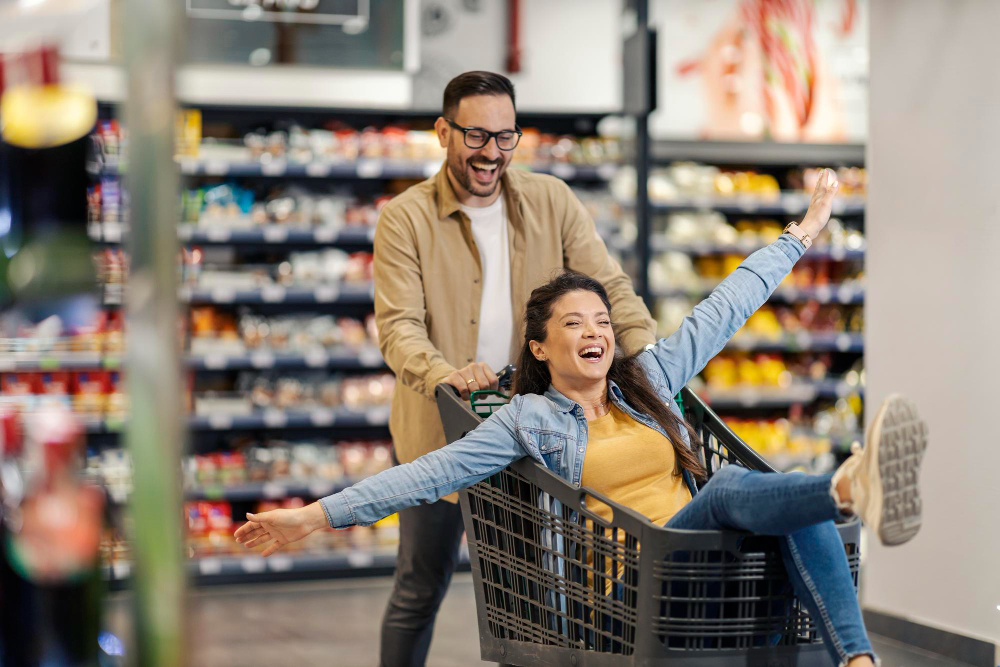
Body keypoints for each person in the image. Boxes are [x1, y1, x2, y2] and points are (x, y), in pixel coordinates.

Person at [235, 170, 928, 667]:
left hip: (703, 568)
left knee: (782, 495)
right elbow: (426, 474)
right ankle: (846, 488)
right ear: (539, 345)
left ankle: (857, 658)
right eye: (574, 322)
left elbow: (724, 308)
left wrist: (802, 233)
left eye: (601, 320)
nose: (596, 331)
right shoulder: (528, 420)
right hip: (629, 592)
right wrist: (312, 515)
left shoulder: (648, 380)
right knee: (731, 491)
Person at [344, 71, 658, 666]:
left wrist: (647, 360)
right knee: (419, 588)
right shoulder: (404, 219)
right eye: (477, 135)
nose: (492, 152)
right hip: (440, 434)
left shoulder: (551, 201)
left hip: (534, 432)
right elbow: (399, 326)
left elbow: (610, 287)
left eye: (506, 136)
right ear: (443, 132)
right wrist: (442, 372)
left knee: (536, 597)